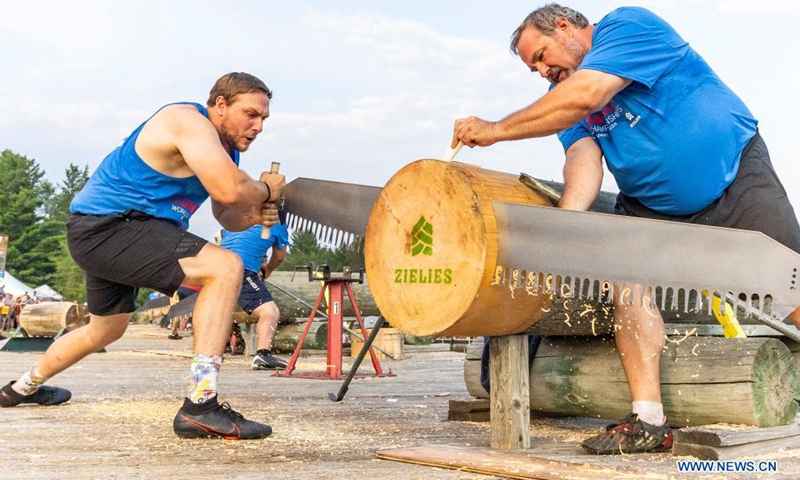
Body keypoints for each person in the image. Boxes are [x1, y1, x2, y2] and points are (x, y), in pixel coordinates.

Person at [451, 4, 800, 455]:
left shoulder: (628, 27)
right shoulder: (564, 98)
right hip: (649, 206)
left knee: (792, 289)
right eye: (533, 68)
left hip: (734, 180)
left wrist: (496, 129)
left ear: (563, 27)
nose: (540, 71)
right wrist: (564, 228)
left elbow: (589, 93)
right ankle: (649, 420)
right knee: (626, 287)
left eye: (540, 56)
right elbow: (583, 161)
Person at [0, 72, 286, 441]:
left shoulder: (223, 151)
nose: (258, 126)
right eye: (250, 114)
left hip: (118, 232)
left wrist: (258, 211)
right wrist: (268, 189)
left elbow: (227, 213)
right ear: (219, 104)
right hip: (112, 227)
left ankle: (21, 388)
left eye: (264, 119)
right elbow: (231, 190)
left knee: (105, 329)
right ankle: (200, 406)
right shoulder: (186, 121)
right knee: (225, 266)